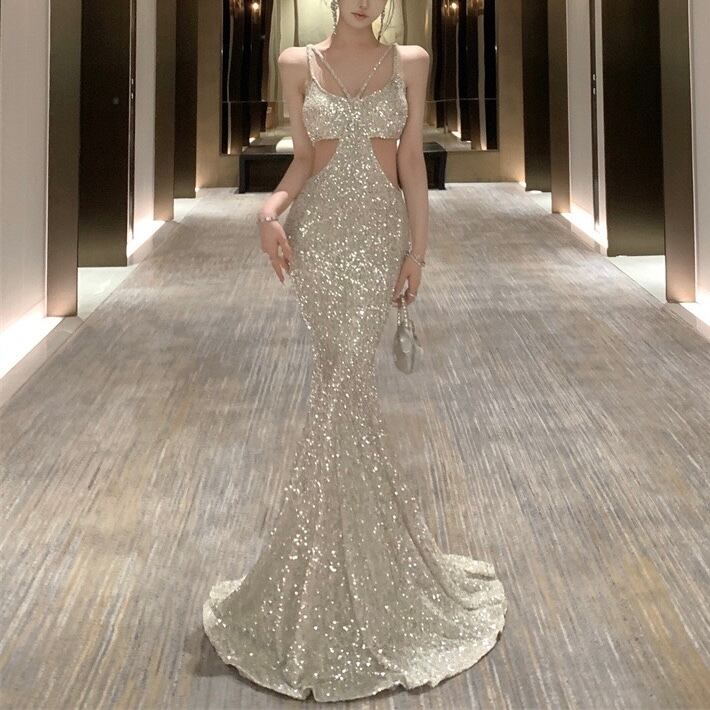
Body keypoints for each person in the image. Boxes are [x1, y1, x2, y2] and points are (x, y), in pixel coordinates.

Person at [202, 0, 507, 702]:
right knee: (340, 387)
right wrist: (268, 211)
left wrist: (418, 253)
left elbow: (411, 163)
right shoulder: (296, 63)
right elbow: (303, 161)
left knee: (346, 388)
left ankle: (339, 565)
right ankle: (341, 564)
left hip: (376, 238)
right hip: (320, 240)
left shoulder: (410, 62)